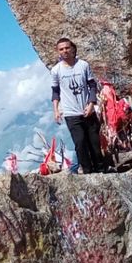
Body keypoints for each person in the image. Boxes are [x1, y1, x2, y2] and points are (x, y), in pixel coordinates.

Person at [50, 37, 106, 174]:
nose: (65, 51)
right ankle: (87, 171)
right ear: (58, 52)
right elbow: (55, 91)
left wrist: (92, 104)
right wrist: (56, 110)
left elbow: (92, 85)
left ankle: (101, 170)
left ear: (73, 49)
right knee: (80, 144)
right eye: (61, 49)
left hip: (88, 110)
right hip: (71, 113)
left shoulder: (83, 65)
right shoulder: (56, 71)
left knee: (94, 143)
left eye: (67, 48)